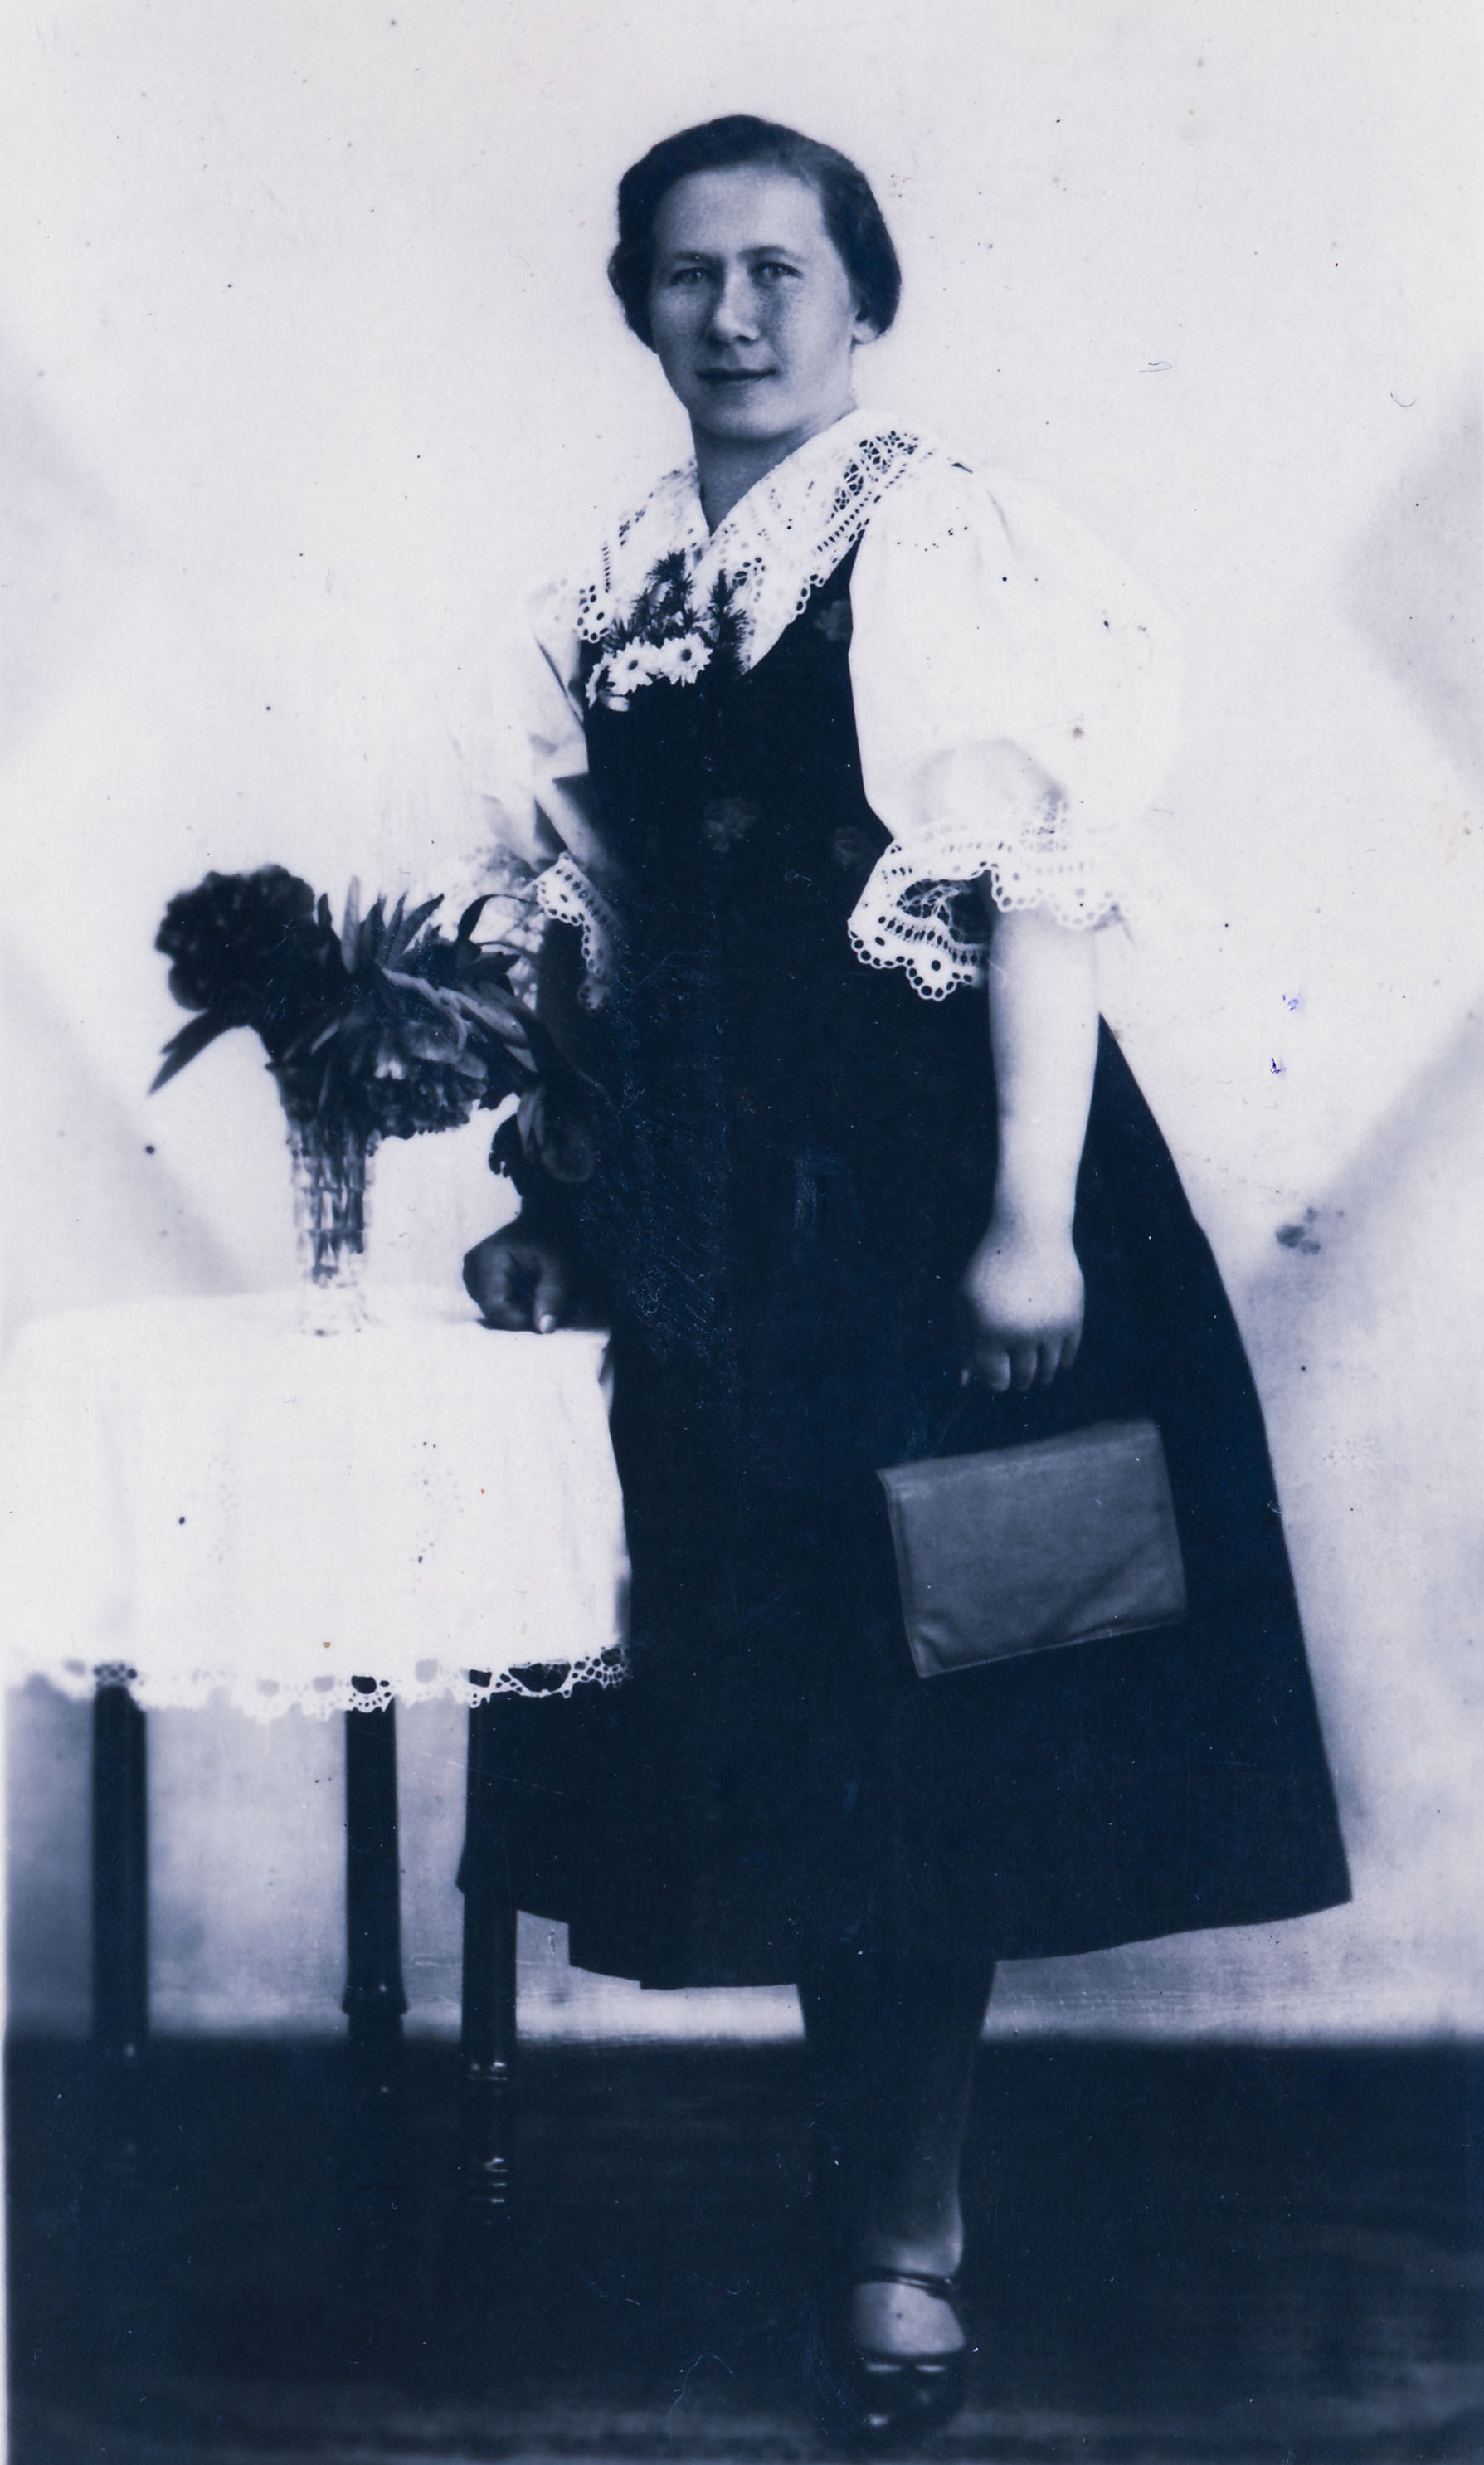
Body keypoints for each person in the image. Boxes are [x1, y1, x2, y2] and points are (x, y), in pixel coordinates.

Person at [462, 114, 1350, 2448]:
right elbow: (590, 940)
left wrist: (1033, 1216)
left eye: (781, 270)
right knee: (780, 1712)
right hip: (711, 1228)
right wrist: (561, 1185)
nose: (734, 315)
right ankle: (866, 2168)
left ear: (865, 300)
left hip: (943, 1191)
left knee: (928, 1723)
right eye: (687, 274)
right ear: (635, 308)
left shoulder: (948, 546)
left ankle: (902, 2240)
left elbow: (1032, 899)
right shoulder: (609, 591)